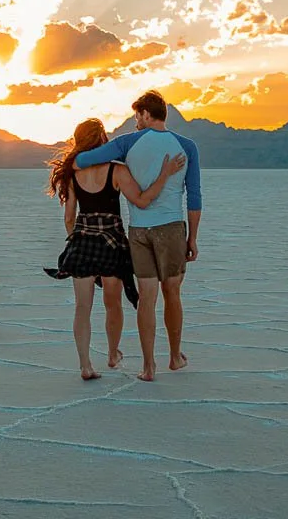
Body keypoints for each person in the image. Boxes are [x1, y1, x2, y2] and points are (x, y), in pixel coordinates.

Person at [75, 90, 201, 382]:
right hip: (171, 228)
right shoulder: (187, 146)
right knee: (173, 293)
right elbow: (194, 196)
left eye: (137, 116)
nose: (136, 122)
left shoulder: (126, 143)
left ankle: (148, 367)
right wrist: (192, 238)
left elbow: (83, 160)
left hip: (138, 231)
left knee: (147, 298)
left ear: (146, 114)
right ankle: (174, 357)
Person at [47, 118, 185, 381]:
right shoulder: (117, 170)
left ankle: (85, 366)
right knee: (113, 304)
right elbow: (143, 201)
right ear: (102, 141)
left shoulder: (73, 172)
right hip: (112, 244)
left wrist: (75, 241)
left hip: (83, 243)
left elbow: (68, 217)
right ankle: (112, 353)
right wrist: (165, 173)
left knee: (82, 308)